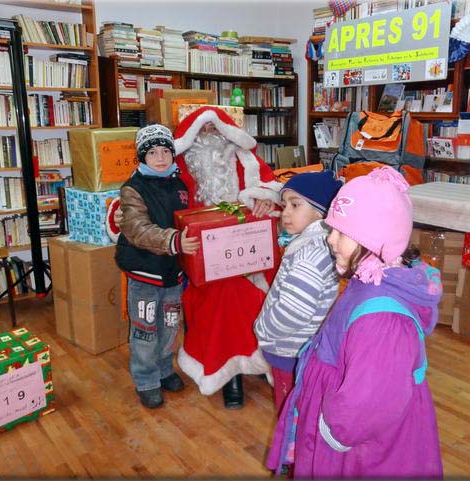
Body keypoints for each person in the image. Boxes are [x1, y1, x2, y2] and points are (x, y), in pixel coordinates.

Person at [267, 166, 444, 478]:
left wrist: (333, 431)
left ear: (376, 240)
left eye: (340, 233)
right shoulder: (369, 279)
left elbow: (370, 401)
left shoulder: (382, 320)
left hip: (356, 447)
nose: (330, 240)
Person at [108, 106, 283, 408]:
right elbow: (132, 211)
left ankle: (257, 360)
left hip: (242, 254)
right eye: (201, 131)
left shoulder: (245, 160)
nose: (209, 136)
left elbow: (271, 189)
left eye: (215, 129)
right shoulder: (175, 169)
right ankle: (228, 373)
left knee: (242, 292)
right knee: (200, 304)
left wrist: (266, 200)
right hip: (188, 260)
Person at [114, 124, 200, 409]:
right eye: (153, 152)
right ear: (142, 156)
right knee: (144, 329)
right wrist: (175, 240)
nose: (161, 158)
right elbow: (137, 229)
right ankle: (146, 379)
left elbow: (188, 218)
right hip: (145, 272)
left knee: (170, 325)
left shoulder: (179, 184)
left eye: (166, 151)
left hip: (172, 271)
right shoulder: (133, 188)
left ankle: (164, 369)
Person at [254, 170, 342, 413]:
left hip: (290, 350)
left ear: (320, 211)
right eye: (284, 205)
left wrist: (263, 328)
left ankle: (292, 450)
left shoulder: (308, 256)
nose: (285, 213)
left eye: (295, 205)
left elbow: (293, 312)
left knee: (290, 413)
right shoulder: (321, 244)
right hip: (305, 347)